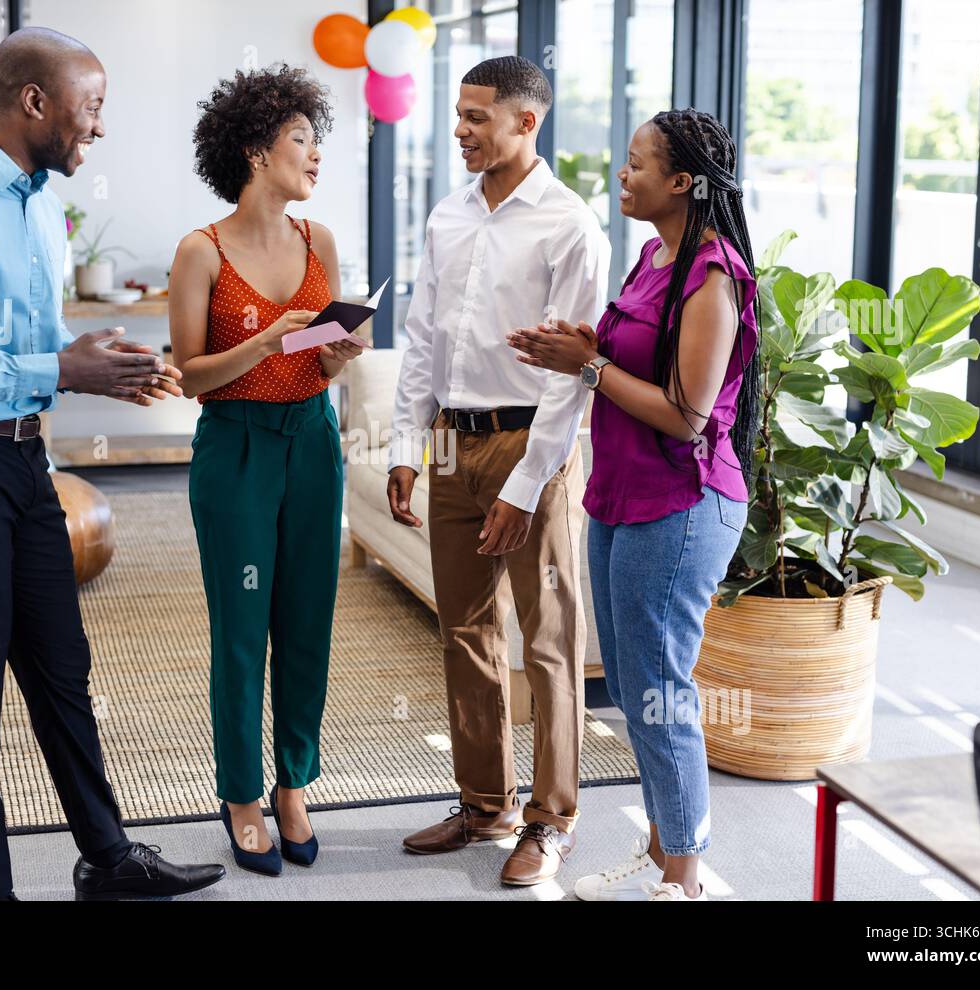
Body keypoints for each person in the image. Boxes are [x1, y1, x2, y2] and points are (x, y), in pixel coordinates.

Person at [0, 27, 225, 901]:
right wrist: (61, 369)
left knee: (62, 664)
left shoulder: (29, 201)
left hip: (21, 462)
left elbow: (14, 340)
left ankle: (106, 858)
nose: (99, 127)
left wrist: (87, 360)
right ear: (34, 102)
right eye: (90, 106)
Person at [507, 108, 761, 902]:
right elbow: (633, 360)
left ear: (681, 181)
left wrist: (587, 368)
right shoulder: (656, 254)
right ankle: (666, 856)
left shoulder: (713, 275)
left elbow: (687, 416)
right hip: (619, 492)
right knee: (628, 683)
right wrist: (587, 345)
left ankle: (682, 880)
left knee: (658, 691)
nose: (622, 175)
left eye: (638, 163)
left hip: (682, 505)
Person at [387, 56, 610, 886]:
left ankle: (553, 821)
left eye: (477, 117)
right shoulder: (448, 215)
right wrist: (409, 449)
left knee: (548, 644)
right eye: (458, 114)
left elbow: (574, 375)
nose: (460, 130)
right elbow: (421, 343)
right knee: (465, 633)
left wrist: (525, 486)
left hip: (530, 446)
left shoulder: (571, 225)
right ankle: (486, 806)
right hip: (451, 435)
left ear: (527, 123)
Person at [169, 63, 361, 877]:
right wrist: (266, 339)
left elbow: (320, 368)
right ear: (255, 151)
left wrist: (338, 355)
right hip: (236, 446)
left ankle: (293, 784)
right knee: (243, 631)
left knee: (307, 621)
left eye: (317, 140)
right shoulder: (199, 251)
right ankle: (241, 794)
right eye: (300, 140)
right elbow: (190, 374)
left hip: (312, 439)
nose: (315, 156)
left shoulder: (321, 241)